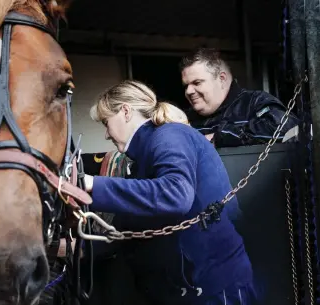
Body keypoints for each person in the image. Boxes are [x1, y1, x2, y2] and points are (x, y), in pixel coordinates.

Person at [83, 80, 256, 305]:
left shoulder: (169, 136)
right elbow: (127, 227)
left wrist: (92, 184)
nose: (106, 134)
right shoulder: (141, 158)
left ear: (125, 111)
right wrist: (80, 249)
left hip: (216, 287)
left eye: (106, 122)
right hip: (188, 287)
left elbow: (176, 194)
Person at [180, 47, 299, 148]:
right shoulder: (183, 120)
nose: (189, 91)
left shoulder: (255, 102)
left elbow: (287, 128)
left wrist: (219, 137)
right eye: (186, 86)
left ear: (222, 79)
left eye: (197, 83)